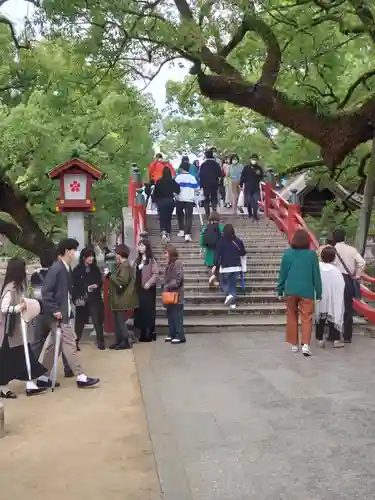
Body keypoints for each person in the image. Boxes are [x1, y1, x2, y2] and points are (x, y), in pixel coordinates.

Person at [41, 238, 100, 388]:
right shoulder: (57, 268)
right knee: (69, 343)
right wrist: (55, 310)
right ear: (67, 251)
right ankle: (80, 376)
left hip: (62, 313)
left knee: (55, 346)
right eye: (74, 250)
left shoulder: (64, 267)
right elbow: (46, 292)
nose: (75, 253)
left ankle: (42, 376)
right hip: (58, 315)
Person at [0, 258, 47, 398]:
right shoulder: (11, 288)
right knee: (10, 360)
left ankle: (29, 384)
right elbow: (3, 308)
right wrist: (18, 308)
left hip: (18, 332)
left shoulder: (18, 286)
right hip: (11, 333)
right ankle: (5, 387)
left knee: (25, 356)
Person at [277, 229, 322, 357]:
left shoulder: (287, 254)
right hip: (306, 291)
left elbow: (283, 274)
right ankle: (306, 345)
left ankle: (294, 344)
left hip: (290, 290)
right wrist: (319, 292)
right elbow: (316, 275)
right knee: (306, 317)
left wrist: (279, 289)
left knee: (291, 316)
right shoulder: (312, 255)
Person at [333, 228, 365, 343]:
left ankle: (334, 335)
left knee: (335, 307)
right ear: (344, 238)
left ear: (333, 238)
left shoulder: (331, 250)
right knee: (348, 308)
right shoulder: (352, 250)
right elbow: (362, 262)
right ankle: (347, 336)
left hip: (335, 280)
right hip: (348, 280)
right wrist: (357, 275)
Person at [105, 244, 138, 350]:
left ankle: (125, 341)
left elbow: (121, 282)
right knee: (118, 322)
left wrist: (109, 275)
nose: (115, 256)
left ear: (120, 254)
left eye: (116, 253)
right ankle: (119, 341)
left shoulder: (124, 266)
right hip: (119, 298)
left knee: (120, 322)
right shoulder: (123, 265)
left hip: (121, 298)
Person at [72, 247, 105, 350]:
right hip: (83, 299)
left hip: (94, 298)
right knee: (79, 323)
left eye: (92, 256)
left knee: (97, 321)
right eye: (88, 256)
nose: (90, 258)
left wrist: (97, 285)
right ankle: (76, 342)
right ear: (83, 257)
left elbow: (100, 281)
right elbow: (74, 285)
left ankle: (101, 342)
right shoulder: (77, 270)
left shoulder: (95, 268)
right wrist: (86, 288)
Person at [315, 246, 345, 349]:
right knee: (333, 316)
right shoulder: (335, 271)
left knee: (320, 317)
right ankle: (336, 339)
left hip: (320, 297)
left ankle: (319, 339)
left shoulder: (317, 267)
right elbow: (341, 285)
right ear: (333, 257)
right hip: (332, 298)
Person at [212, 224, 246, 309]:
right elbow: (243, 253)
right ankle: (232, 303)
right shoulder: (238, 241)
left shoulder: (220, 242)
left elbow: (217, 255)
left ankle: (229, 295)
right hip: (236, 266)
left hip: (225, 266)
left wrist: (215, 264)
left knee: (224, 283)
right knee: (232, 283)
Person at [133, 239, 158, 342]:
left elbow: (156, 274)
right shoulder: (137, 260)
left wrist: (149, 282)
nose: (140, 248)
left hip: (148, 289)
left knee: (148, 311)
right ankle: (142, 332)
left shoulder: (151, 260)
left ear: (147, 247)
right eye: (139, 246)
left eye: (142, 246)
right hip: (138, 289)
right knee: (140, 311)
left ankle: (149, 333)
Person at [163, 244, 186, 344]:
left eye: (166, 253)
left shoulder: (177, 263)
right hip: (170, 295)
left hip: (177, 294)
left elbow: (178, 279)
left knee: (177, 315)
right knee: (171, 314)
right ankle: (172, 333)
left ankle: (179, 335)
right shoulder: (169, 264)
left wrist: (167, 285)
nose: (165, 255)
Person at [152, 166, 181, 243]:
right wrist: (174, 193)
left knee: (162, 217)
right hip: (170, 201)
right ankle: (168, 233)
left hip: (161, 201)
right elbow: (178, 189)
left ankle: (163, 232)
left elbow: (155, 193)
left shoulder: (159, 181)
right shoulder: (172, 181)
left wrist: (154, 201)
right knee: (168, 217)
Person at [175, 161, 199, 242]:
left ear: (181, 168)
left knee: (180, 215)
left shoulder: (178, 177)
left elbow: (174, 189)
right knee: (189, 217)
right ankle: (187, 235)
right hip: (189, 200)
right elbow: (197, 188)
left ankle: (181, 231)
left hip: (179, 199)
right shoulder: (192, 177)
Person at [199, 211, 224, 286]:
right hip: (219, 254)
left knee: (210, 268)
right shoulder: (222, 227)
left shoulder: (206, 228)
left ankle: (213, 279)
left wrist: (202, 249)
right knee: (218, 269)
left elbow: (202, 241)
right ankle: (216, 280)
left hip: (209, 254)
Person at [240, 154, 264, 221]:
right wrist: (241, 184)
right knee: (249, 201)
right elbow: (242, 176)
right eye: (252, 159)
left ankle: (255, 215)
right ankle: (250, 213)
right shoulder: (246, 168)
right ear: (250, 160)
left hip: (256, 187)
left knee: (255, 201)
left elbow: (261, 177)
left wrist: (259, 174)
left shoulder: (259, 168)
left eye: (255, 159)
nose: (254, 161)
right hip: (248, 187)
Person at [199, 149, 222, 217]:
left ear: (206, 156)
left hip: (205, 184)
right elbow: (220, 174)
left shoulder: (203, 165)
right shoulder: (216, 164)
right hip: (214, 184)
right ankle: (214, 212)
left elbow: (200, 175)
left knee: (206, 198)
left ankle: (207, 213)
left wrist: (201, 185)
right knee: (214, 198)